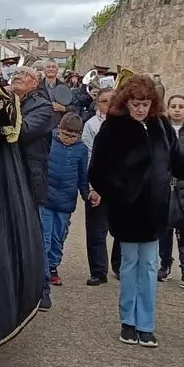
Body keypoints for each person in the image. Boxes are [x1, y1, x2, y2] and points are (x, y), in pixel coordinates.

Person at [89, 75, 184, 348]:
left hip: (155, 209)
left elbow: (178, 163)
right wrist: (120, 194)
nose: (141, 109)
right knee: (130, 266)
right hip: (128, 210)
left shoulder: (162, 126)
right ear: (126, 103)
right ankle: (128, 322)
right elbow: (97, 170)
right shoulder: (113, 128)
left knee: (150, 266)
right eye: (136, 104)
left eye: (145, 104)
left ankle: (146, 323)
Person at [9, 65, 56, 310]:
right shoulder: (9, 99)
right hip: (9, 175)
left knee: (34, 233)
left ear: (35, 83)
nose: (17, 77)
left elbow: (22, 130)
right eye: (15, 74)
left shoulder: (43, 107)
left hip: (29, 177)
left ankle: (43, 288)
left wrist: (3, 109)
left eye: (24, 75)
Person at [42, 113, 91, 287]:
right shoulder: (49, 141)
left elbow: (83, 176)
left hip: (65, 202)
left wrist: (87, 195)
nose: (68, 139)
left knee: (58, 237)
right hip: (46, 198)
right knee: (45, 237)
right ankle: (43, 271)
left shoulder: (81, 150)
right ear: (59, 130)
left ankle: (53, 266)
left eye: (73, 136)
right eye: (65, 134)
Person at [158, 95, 184, 288]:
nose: (177, 110)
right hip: (165, 187)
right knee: (164, 230)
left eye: (181, 106)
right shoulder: (160, 131)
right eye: (173, 106)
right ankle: (164, 264)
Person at [82, 87, 113, 286]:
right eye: (104, 101)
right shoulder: (91, 125)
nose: (109, 104)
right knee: (96, 230)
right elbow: (88, 157)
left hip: (122, 185)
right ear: (98, 103)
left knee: (124, 229)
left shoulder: (131, 124)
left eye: (113, 100)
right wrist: (93, 187)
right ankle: (99, 270)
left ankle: (119, 266)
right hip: (99, 183)